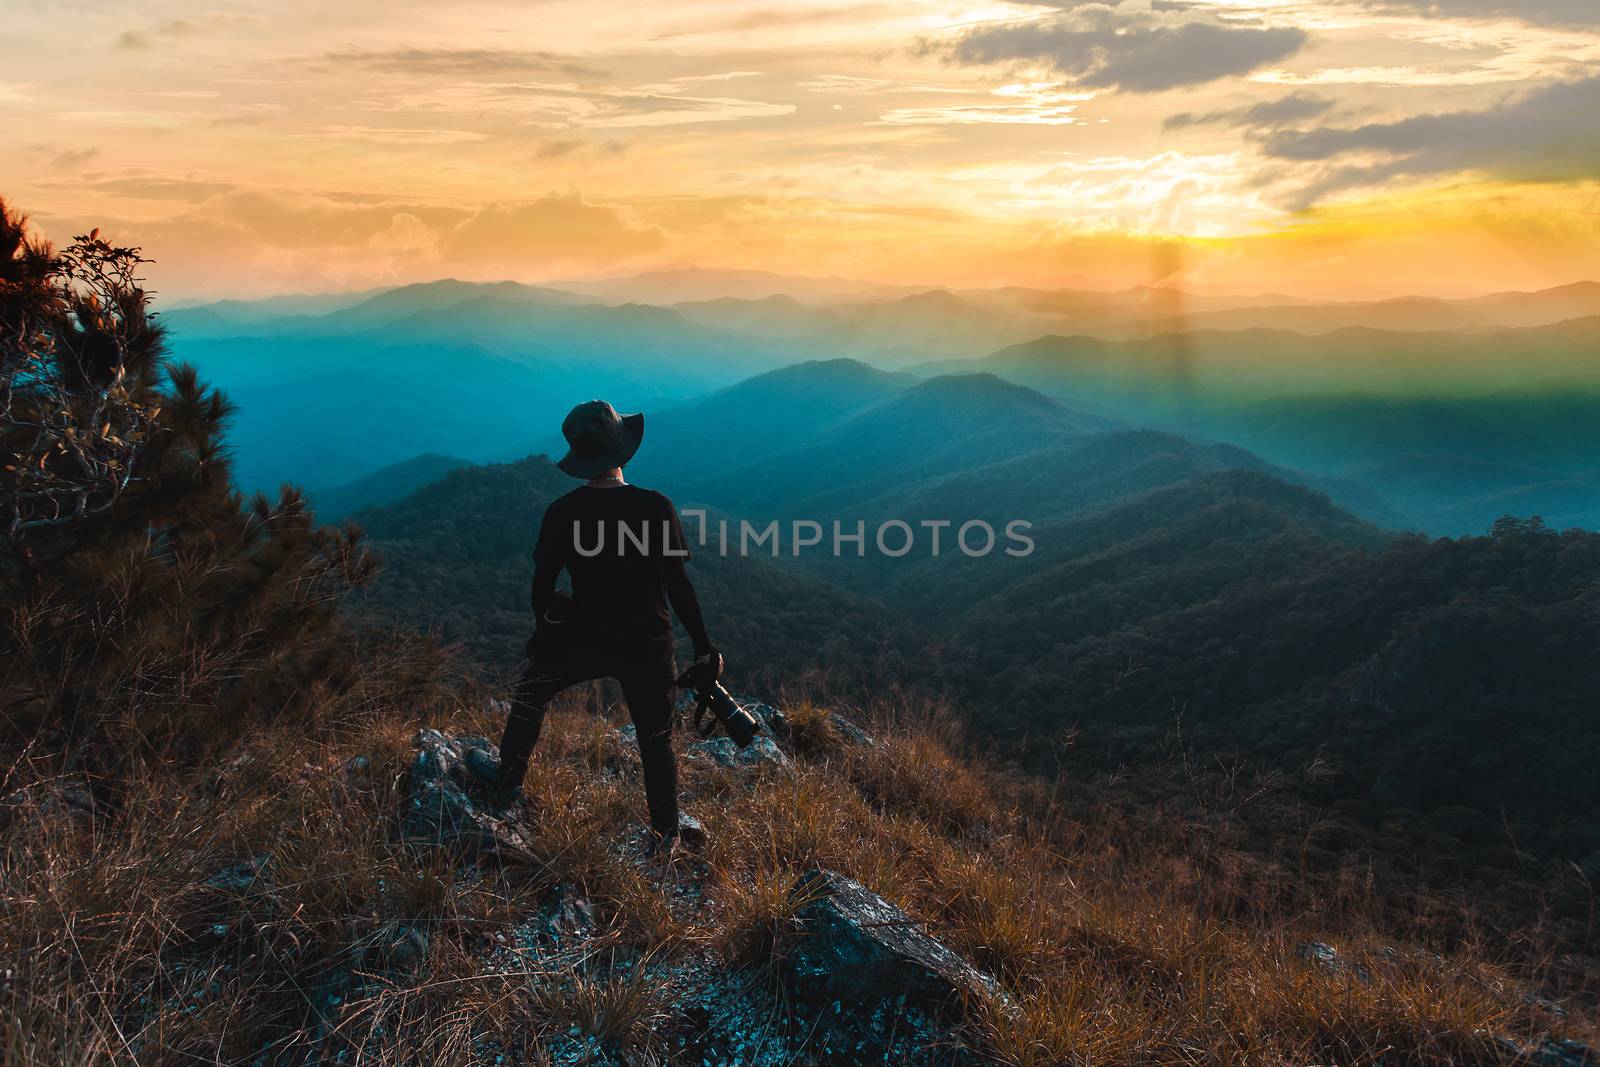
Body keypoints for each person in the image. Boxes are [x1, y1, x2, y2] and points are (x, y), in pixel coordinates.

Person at [471, 400, 719, 848]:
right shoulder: (655, 507)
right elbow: (678, 586)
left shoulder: (562, 512)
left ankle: (506, 781)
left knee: (532, 689)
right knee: (655, 737)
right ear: (622, 453)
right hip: (647, 641)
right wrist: (703, 645)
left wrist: (547, 626)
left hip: (583, 635)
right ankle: (666, 831)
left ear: (582, 458)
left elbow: (541, 587)